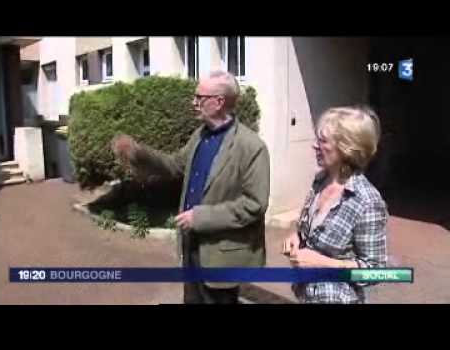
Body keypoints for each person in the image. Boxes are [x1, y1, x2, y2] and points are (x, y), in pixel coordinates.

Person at [112, 71, 270, 304]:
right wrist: (139, 154)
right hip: (192, 246)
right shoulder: (200, 135)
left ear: (219, 102)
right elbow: (175, 165)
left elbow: (254, 204)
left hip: (221, 254)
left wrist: (200, 217)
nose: (193, 102)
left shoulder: (251, 147)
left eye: (199, 97)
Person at [282, 106, 388, 304]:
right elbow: (313, 232)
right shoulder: (321, 180)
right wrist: (297, 237)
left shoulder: (367, 201)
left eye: (322, 141)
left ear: (347, 148)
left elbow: (375, 272)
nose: (314, 146)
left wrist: (324, 263)